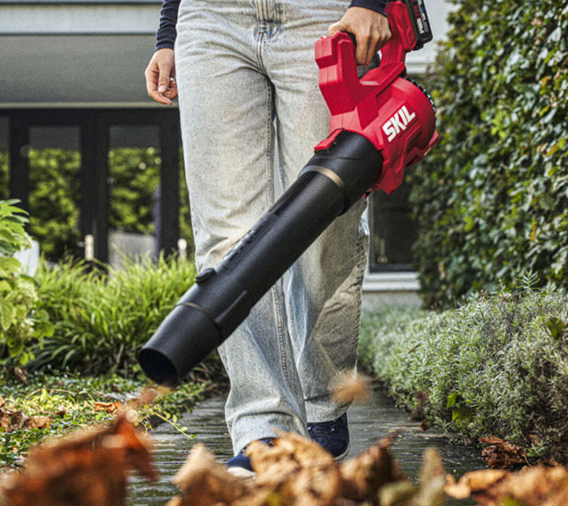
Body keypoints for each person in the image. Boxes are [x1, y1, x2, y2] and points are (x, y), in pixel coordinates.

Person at [144, 0, 390, 477]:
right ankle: (264, 428)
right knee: (228, 240)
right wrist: (169, 32)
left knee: (326, 221)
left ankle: (322, 396)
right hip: (211, 20)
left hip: (321, 15)